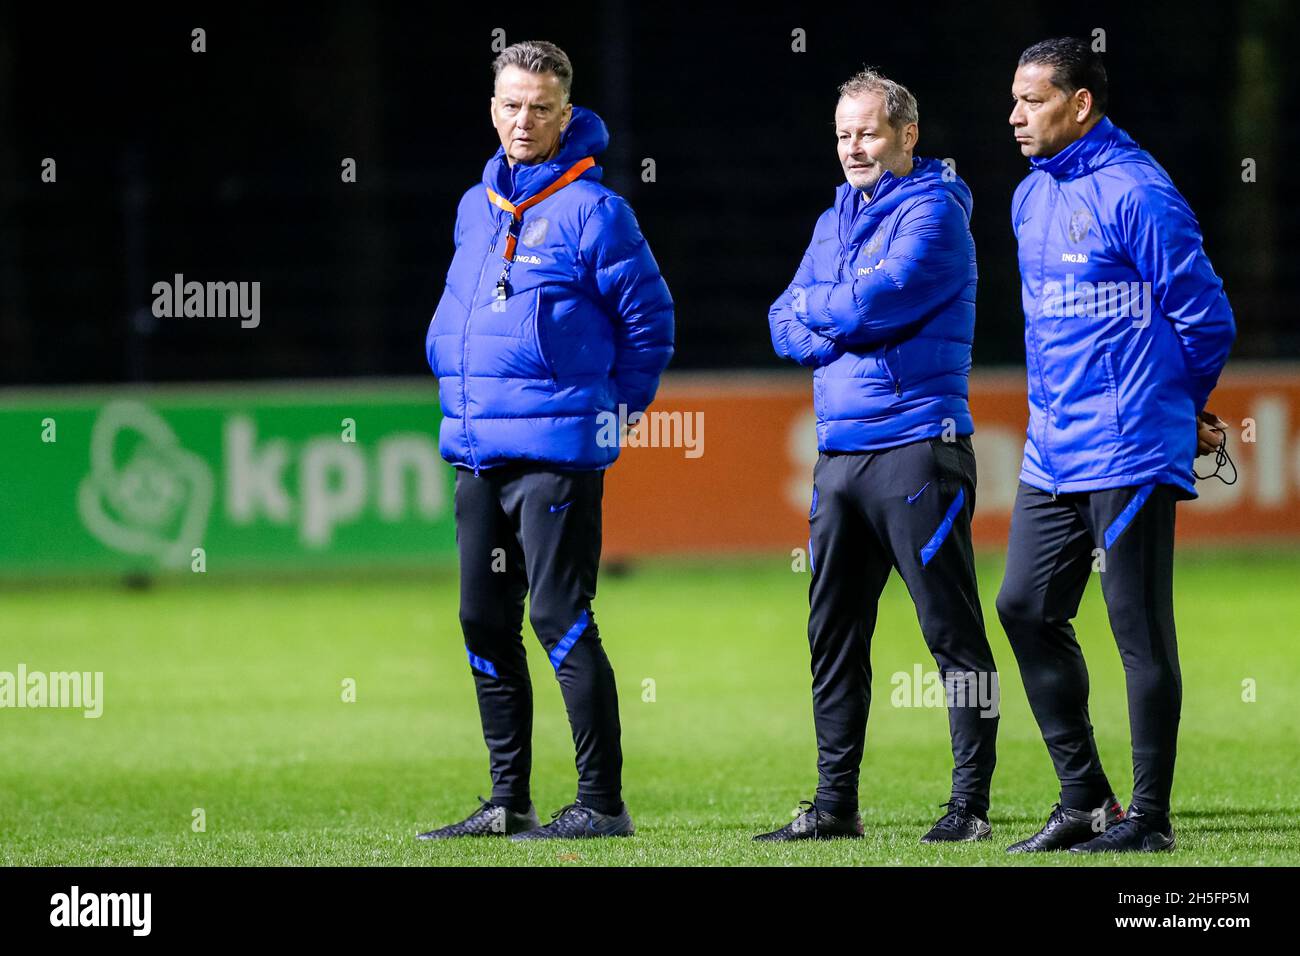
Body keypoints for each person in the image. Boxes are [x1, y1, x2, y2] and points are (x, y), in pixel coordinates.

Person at [418, 40, 674, 840]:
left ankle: (601, 804)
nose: (523, 120)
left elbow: (651, 323)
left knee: (561, 618)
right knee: (482, 621)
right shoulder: (475, 204)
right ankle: (507, 803)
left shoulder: (597, 212)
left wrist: (615, 414)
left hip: (556, 453)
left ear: (567, 115)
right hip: (474, 451)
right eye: (510, 105)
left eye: (540, 107)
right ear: (492, 109)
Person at [998, 38, 1235, 853]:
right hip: (1052, 448)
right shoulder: (1031, 197)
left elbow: (1206, 318)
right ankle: (1087, 801)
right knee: (1023, 606)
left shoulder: (1137, 191)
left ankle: (1153, 821)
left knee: (1136, 628)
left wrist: (1178, 405)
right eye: (1016, 100)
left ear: (1080, 103)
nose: (1015, 115)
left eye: (1032, 100)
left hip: (1130, 441)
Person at [757, 69, 999, 844]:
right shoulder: (836, 218)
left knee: (951, 635)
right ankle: (835, 808)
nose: (853, 147)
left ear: (906, 135)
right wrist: (836, 310)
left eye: (867, 131)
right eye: (842, 134)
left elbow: (875, 301)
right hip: (840, 461)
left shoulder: (936, 211)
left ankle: (969, 807)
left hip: (919, 450)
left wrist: (827, 308)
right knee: (833, 636)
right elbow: (779, 323)